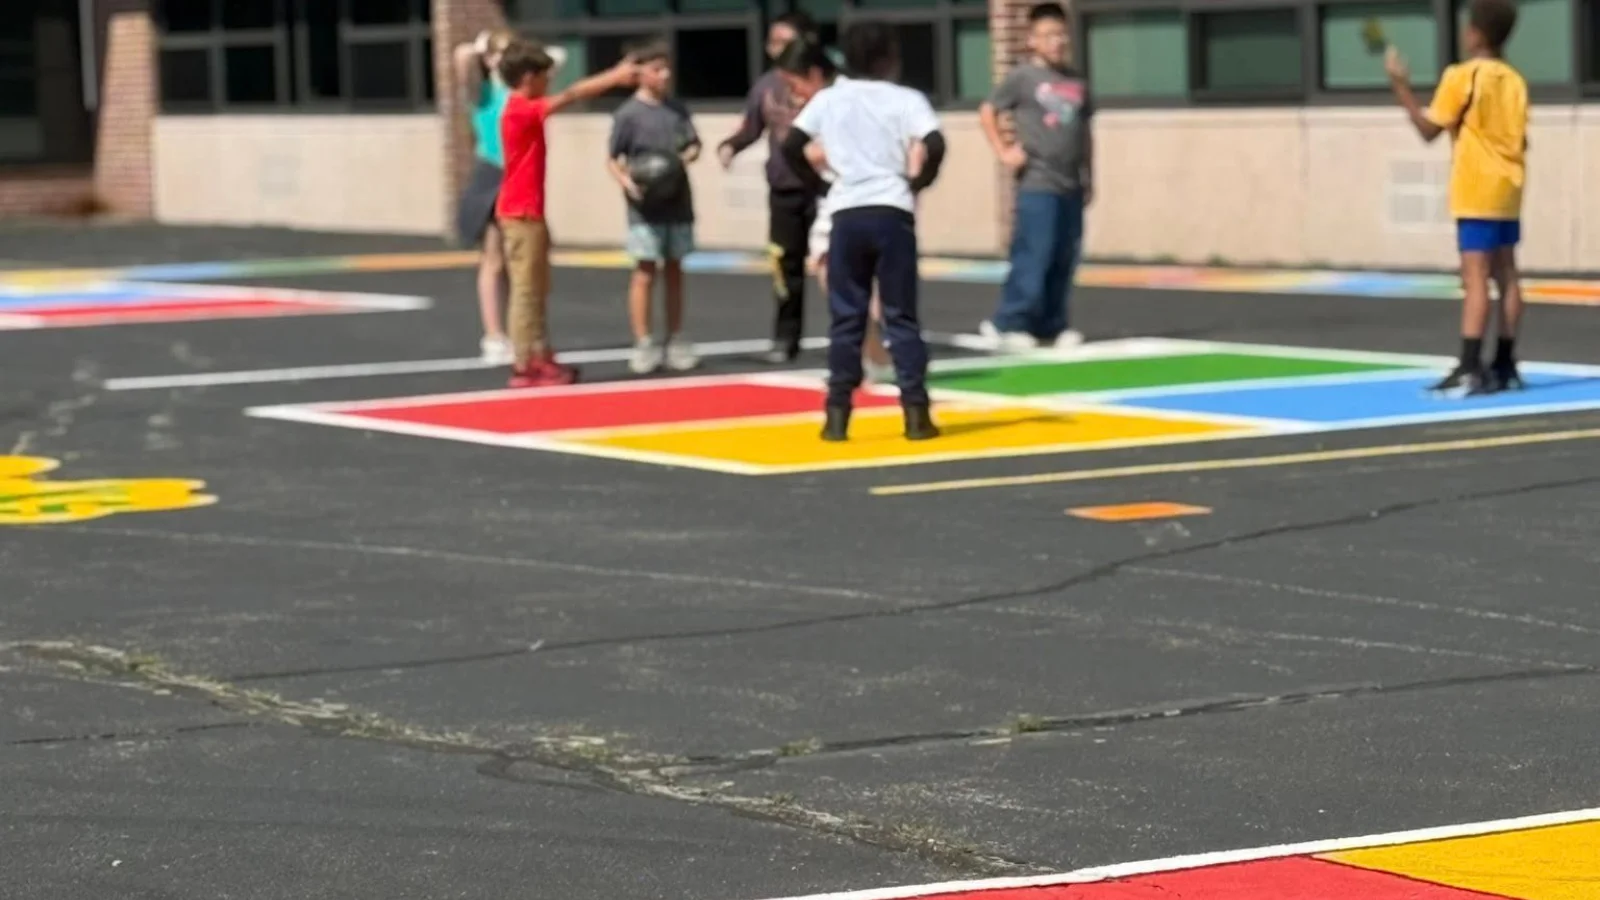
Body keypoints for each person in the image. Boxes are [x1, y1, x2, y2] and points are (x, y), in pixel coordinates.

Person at [782, 22, 947, 442]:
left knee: (846, 317)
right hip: (893, 211)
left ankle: (837, 414)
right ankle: (916, 412)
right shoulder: (906, 98)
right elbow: (935, 143)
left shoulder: (829, 98)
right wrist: (919, 182)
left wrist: (821, 185)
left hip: (847, 212)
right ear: (889, 59)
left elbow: (791, 144)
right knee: (900, 315)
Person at [1386, 0, 1527, 396]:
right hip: (1510, 185)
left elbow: (1429, 129)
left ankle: (1469, 365)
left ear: (1477, 33)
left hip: (1477, 187)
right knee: (1508, 274)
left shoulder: (1462, 76)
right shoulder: (1514, 80)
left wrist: (1401, 87)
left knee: (1475, 276)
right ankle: (1505, 363)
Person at [497, 41, 639, 388]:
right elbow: (573, 94)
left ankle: (540, 353)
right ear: (528, 78)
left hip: (530, 212)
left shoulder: (523, 107)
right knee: (526, 290)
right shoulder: (519, 110)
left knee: (538, 287)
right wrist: (615, 76)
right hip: (520, 213)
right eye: (544, 76)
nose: (549, 83)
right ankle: (524, 363)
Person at [774, 37, 900, 383]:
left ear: (815, 74)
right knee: (839, 273)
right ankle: (870, 353)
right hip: (845, 198)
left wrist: (820, 158)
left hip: (858, 198)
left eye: (795, 84)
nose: (794, 94)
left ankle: (874, 353)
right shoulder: (833, 100)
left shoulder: (841, 99)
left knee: (849, 276)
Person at [977, 2, 1092, 353]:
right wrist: (1004, 151)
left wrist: (1090, 174)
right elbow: (988, 110)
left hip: (1070, 182)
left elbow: (1085, 132)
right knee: (1034, 253)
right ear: (1032, 39)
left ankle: (1052, 323)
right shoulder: (1023, 78)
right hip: (1037, 182)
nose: (1056, 41)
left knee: (1064, 255)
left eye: (1061, 34)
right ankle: (1009, 322)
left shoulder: (1076, 81)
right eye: (1048, 35)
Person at [717, 12, 819, 364]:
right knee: (785, 268)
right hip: (784, 189)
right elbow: (750, 127)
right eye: (772, 42)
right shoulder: (765, 86)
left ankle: (855, 339)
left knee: (836, 265)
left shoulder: (827, 84)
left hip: (824, 189)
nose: (775, 48)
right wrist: (730, 146)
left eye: (783, 41)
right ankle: (785, 339)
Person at [607, 39, 702, 375]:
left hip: (677, 201)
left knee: (675, 269)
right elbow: (613, 158)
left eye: (666, 68)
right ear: (640, 74)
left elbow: (693, 145)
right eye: (656, 69)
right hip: (644, 208)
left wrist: (678, 162)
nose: (664, 75)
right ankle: (644, 342)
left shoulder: (677, 109)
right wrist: (628, 182)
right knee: (645, 272)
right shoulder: (628, 115)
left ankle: (676, 339)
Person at [452, 28, 518, 364]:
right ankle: (493, 335)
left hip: (519, 178)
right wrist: (481, 48)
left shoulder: (521, 91)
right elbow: (460, 57)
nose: (505, 59)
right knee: (493, 259)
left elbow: (557, 60)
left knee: (517, 262)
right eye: (500, 53)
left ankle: (517, 331)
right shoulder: (482, 93)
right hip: (492, 175)